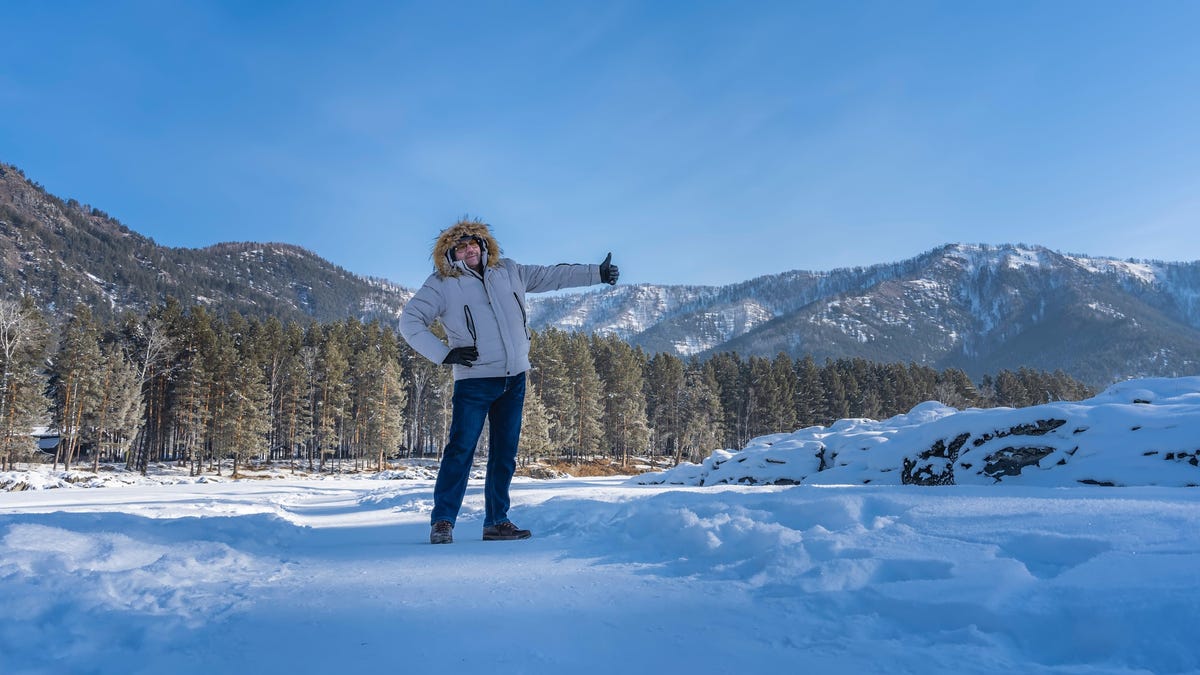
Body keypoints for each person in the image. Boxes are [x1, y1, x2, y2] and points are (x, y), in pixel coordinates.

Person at [400, 217, 619, 544]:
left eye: (473, 243)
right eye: (461, 247)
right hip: (474, 381)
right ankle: (443, 521)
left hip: (514, 378)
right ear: (451, 253)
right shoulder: (442, 284)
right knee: (460, 451)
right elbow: (410, 322)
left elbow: (552, 276)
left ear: (484, 245)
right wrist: (445, 354)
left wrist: (596, 273)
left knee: (505, 454)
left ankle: (496, 521)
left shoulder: (509, 270)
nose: (469, 250)